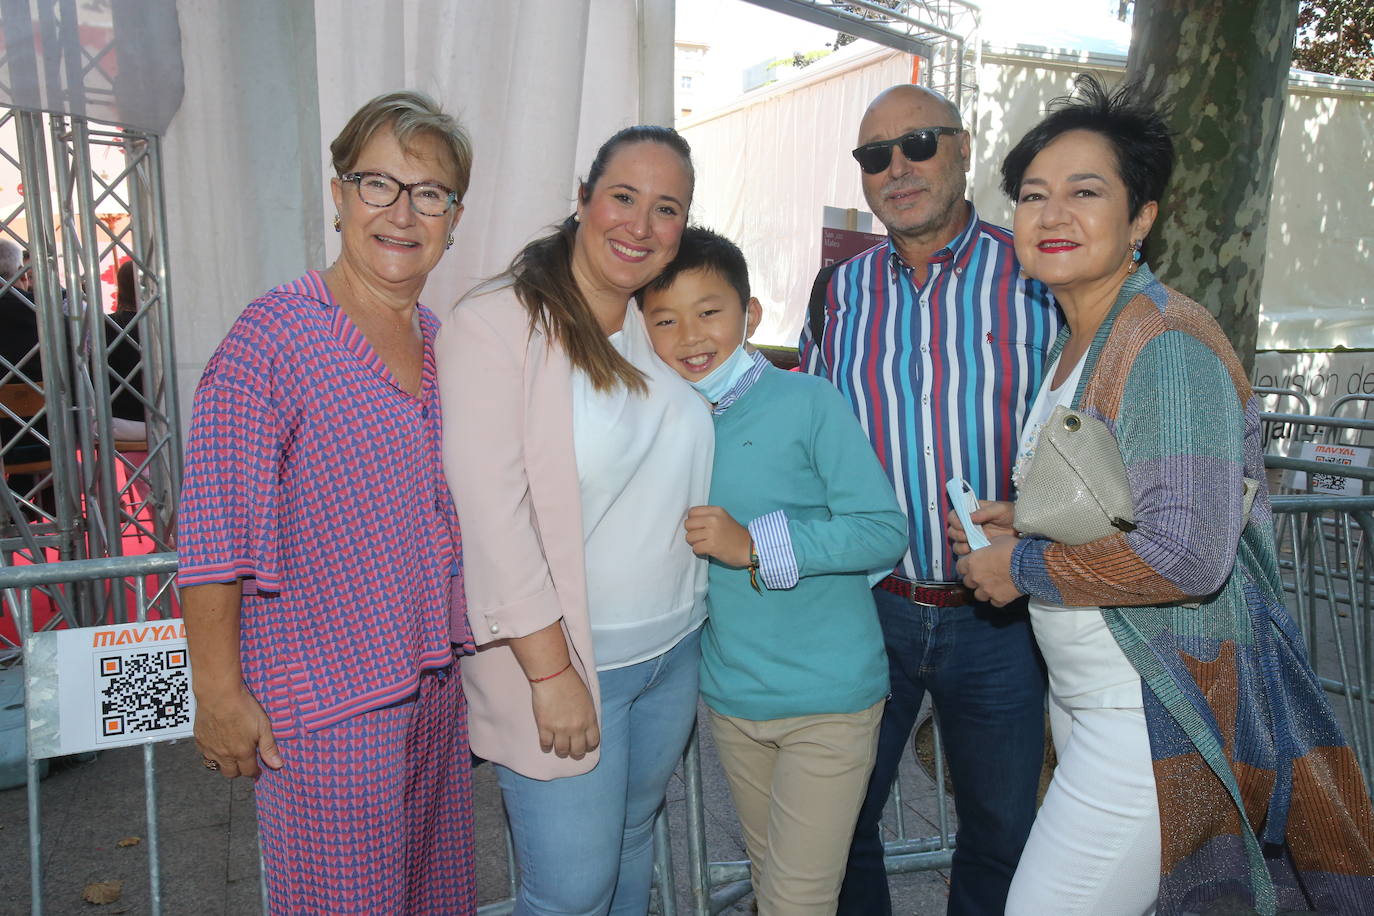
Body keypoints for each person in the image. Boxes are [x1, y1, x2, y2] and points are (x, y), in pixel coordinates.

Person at [953, 73, 1374, 916]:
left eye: (1085, 191)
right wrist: (1026, 518)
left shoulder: (1166, 339)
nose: (1051, 214)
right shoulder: (1082, 341)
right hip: (1093, 699)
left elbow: (1186, 551)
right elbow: (1123, 503)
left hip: (1153, 708)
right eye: (1032, 195)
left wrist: (1021, 565)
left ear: (1141, 217)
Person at [178, 90, 477, 915]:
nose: (403, 212)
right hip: (327, 717)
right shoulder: (271, 339)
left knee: (435, 903)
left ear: (453, 218)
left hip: (434, 700)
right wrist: (219, 694)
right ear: (340, 194)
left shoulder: (445, 347)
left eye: (430, 193)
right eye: (378, 183)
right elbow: (212, 534)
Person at [800, 84, 1061, 915]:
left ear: (963, 147)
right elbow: (803, 435)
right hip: (867, 610)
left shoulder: (1036, 272)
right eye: (874, 154)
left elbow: (1094, 428)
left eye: (917, 143)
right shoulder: (837, 291)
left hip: (1003, 618)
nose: (896, 167)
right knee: (839, 823)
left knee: (1004, 831)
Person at [439, 125, 711, 916]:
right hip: (563, 666)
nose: (640, 224)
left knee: (631, 849)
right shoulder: (498, 324)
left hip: (671, 652)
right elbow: (492, 520)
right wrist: (552, 676)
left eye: (667, 209)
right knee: (569, 894)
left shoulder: (653, 325)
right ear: (584, 200)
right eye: (623, 197)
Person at [640, 226, 907, 914]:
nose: (690, 336)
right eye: (665, 319)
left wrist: (755, 545)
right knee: (774, 886)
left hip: (832, 701)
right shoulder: (661, 422)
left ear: (750, 314)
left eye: (710, 311)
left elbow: (883, 531)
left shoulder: (808, 402)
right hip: (734, 701)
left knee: (797, 901)